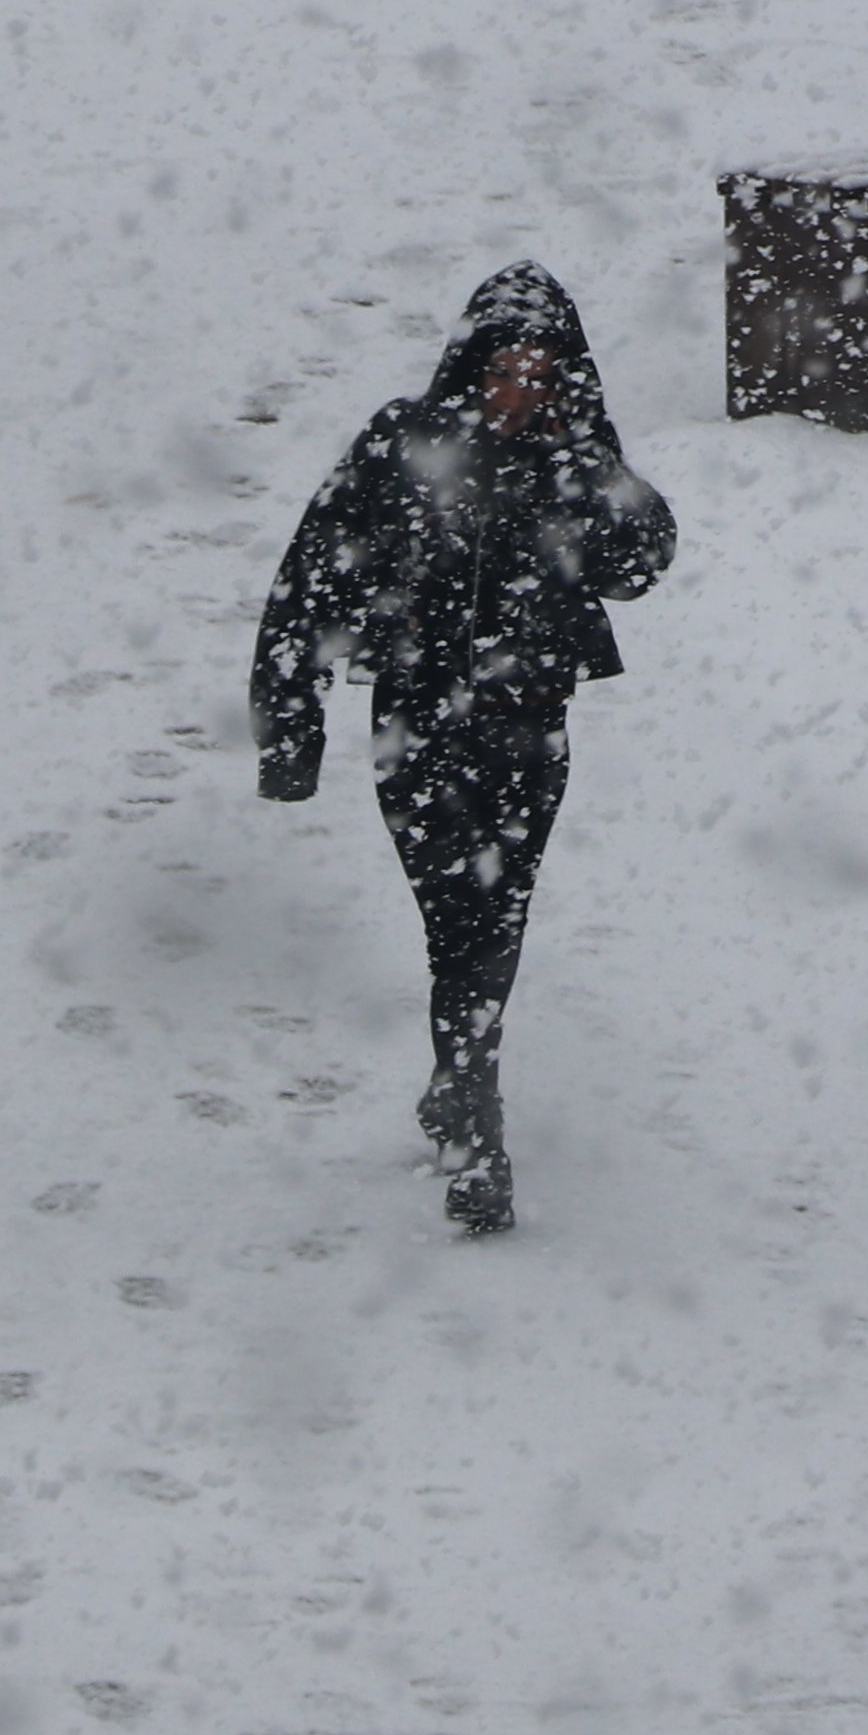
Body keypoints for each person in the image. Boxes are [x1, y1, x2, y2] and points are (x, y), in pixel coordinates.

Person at [252, 264, 676, 1235]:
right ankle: (465, 1078)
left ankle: (473, 1112)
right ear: (470, 366)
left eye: (538, 375)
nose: (517, 394)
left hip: (531, 727)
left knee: (497, 917)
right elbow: (311, 576)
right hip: (416, 723)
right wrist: (290, 724)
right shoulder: (404, 445)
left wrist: (601, 483)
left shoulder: (576, 460)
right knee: (456, 918)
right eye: (503, 372)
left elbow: (643, 561)